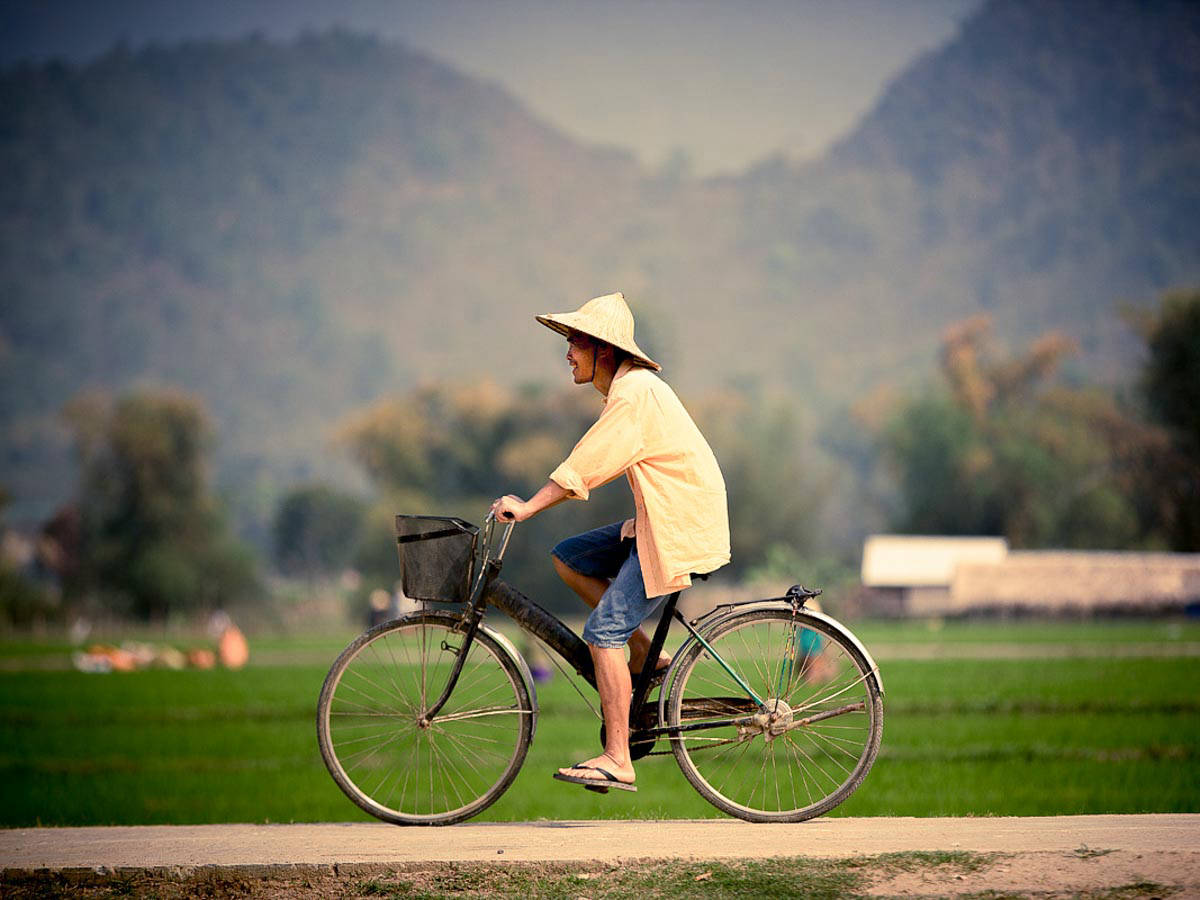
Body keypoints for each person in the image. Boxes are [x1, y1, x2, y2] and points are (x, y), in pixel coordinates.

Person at [491, 292, 730, 792]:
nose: (568, 354)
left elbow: (589, 461)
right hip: (661, 517)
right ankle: (644, 656)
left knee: (602, 633)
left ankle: (619, 758)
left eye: (575, 343)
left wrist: (530, 506)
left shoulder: (633, 394)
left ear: (603, 350)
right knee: (571, 557)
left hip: (677, 526)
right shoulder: (628, 392)